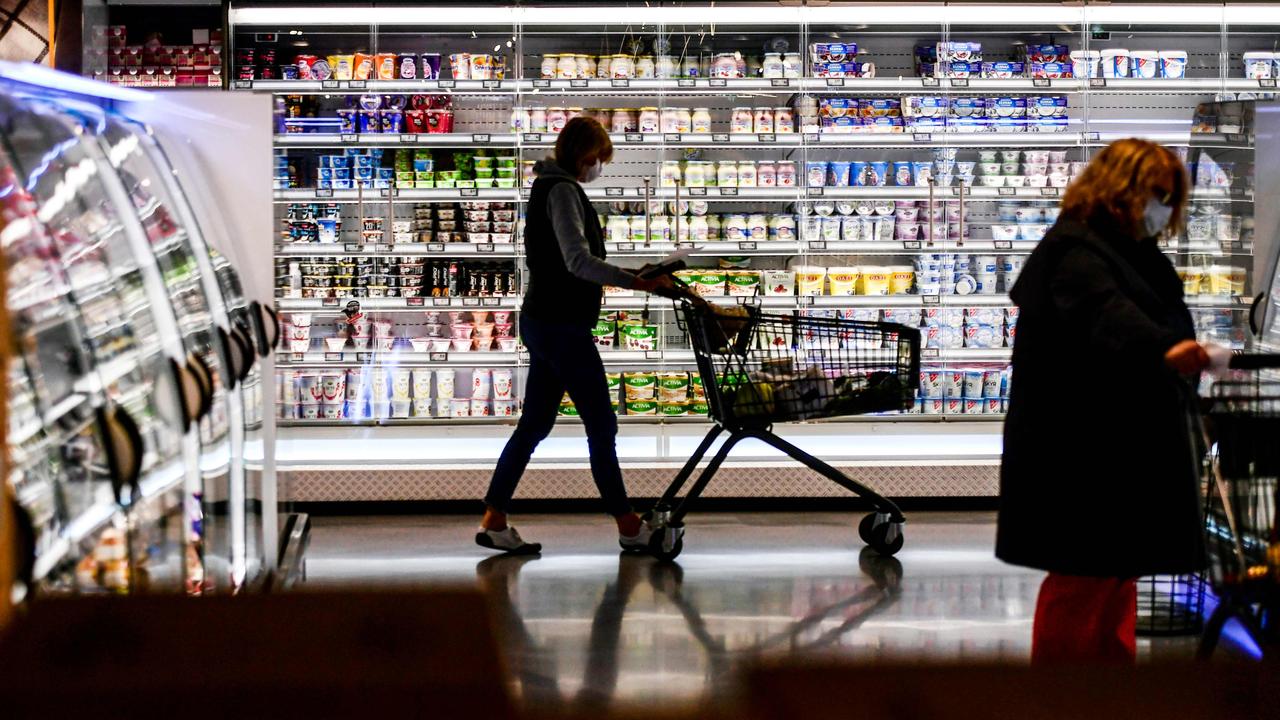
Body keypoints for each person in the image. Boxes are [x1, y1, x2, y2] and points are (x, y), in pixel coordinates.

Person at [996, 138, 1217, 665]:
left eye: (1169, 196)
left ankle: (1108, 692)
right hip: (1080, 451)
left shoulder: (1123, 250)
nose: (1163, 208)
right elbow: (1106, 313)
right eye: (1156, 194)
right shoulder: (1077, 251)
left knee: (1115, 574)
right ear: (1123, 191)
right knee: (1083, 578)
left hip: (1111, 446)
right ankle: (1061, 697)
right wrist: (1166, 348)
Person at [476, 116, 678, 555]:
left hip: (545, 320)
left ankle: (494, 519)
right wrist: (636, 281)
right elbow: (577, 261)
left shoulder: (546, 186)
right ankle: (628, 525)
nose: (597, 167)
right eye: (598, 159)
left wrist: (632, 276)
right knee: (601, 425)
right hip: (561, 325)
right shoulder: (564, 190)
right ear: (585, 157)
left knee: (534, 424)